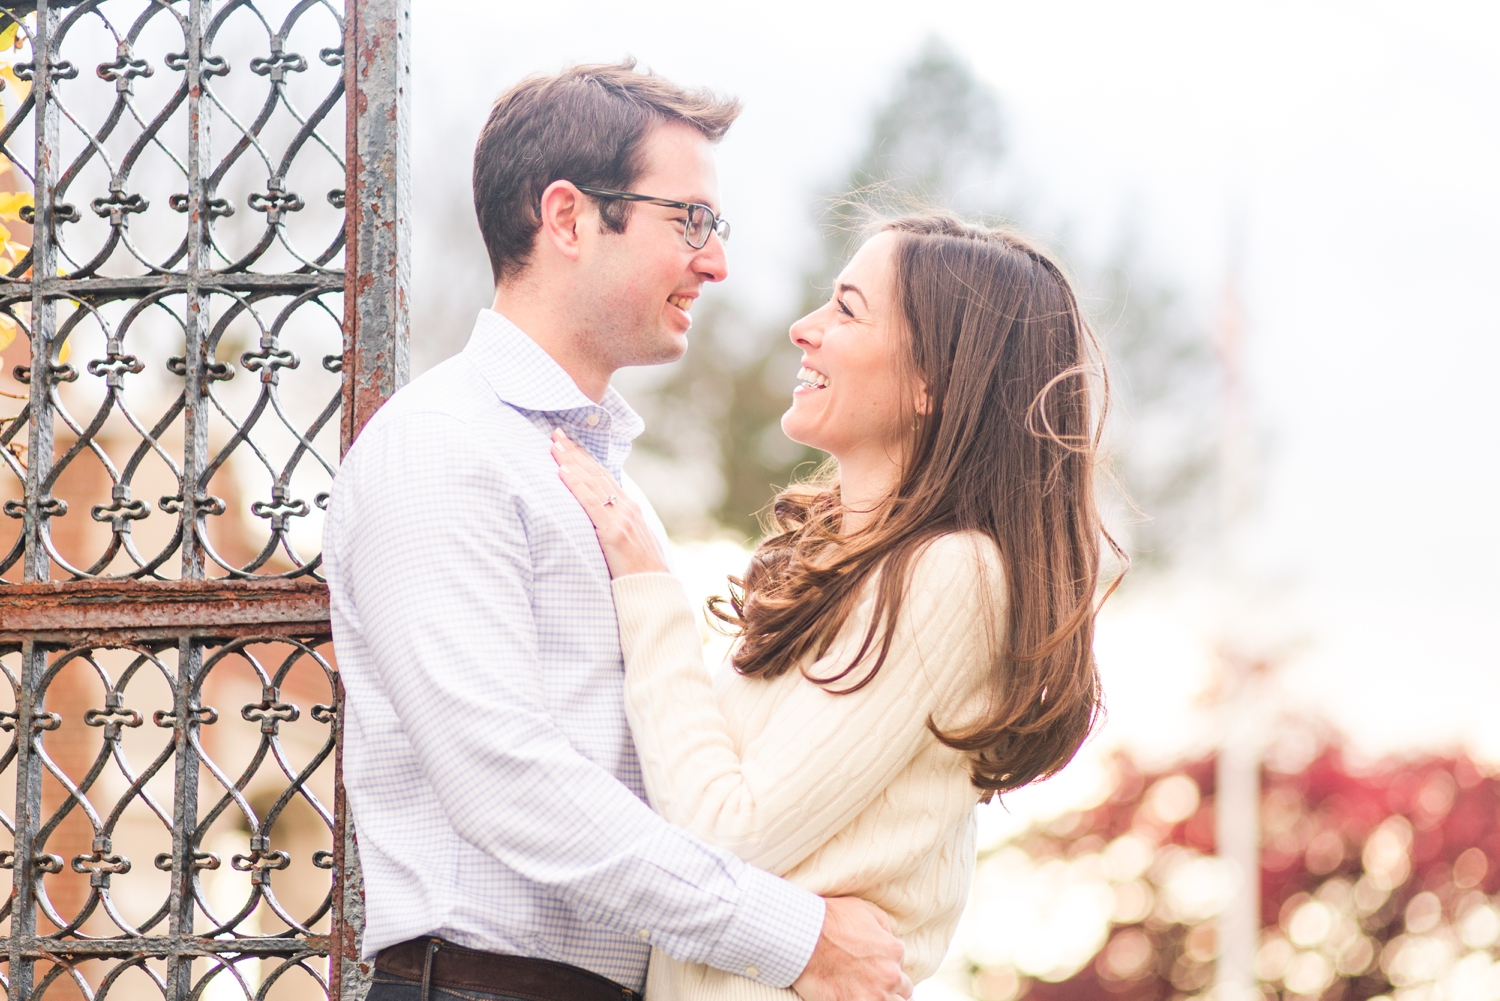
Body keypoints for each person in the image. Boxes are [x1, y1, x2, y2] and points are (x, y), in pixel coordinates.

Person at [322, 62, 910, 1001]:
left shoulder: (595, 483)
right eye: (690, 221)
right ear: (567, 218)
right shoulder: (440, 450)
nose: (714, 262)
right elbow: (506, 783)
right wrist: (793, 937)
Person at [551, 214, 1115, 999]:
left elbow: (726, 832)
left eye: (847, 310)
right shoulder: (857, 572)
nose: (803, 329)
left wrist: (650, 591)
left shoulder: (954, 574)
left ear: (934, 382)